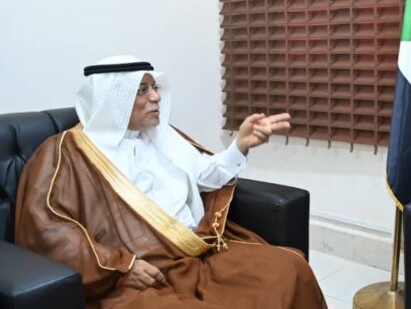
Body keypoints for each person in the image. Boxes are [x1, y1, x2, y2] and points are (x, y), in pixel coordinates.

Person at [15, 56, 327, 309]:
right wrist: (122, 266)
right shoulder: (65, 152)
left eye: (155, 87)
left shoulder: (161, 134)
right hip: (137, 274)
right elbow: (50, 230)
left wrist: (240, 146)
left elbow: (205, 175)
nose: (156, 97)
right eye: (142, 90)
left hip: (196, 253)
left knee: (289, 269)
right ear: (113, 98)